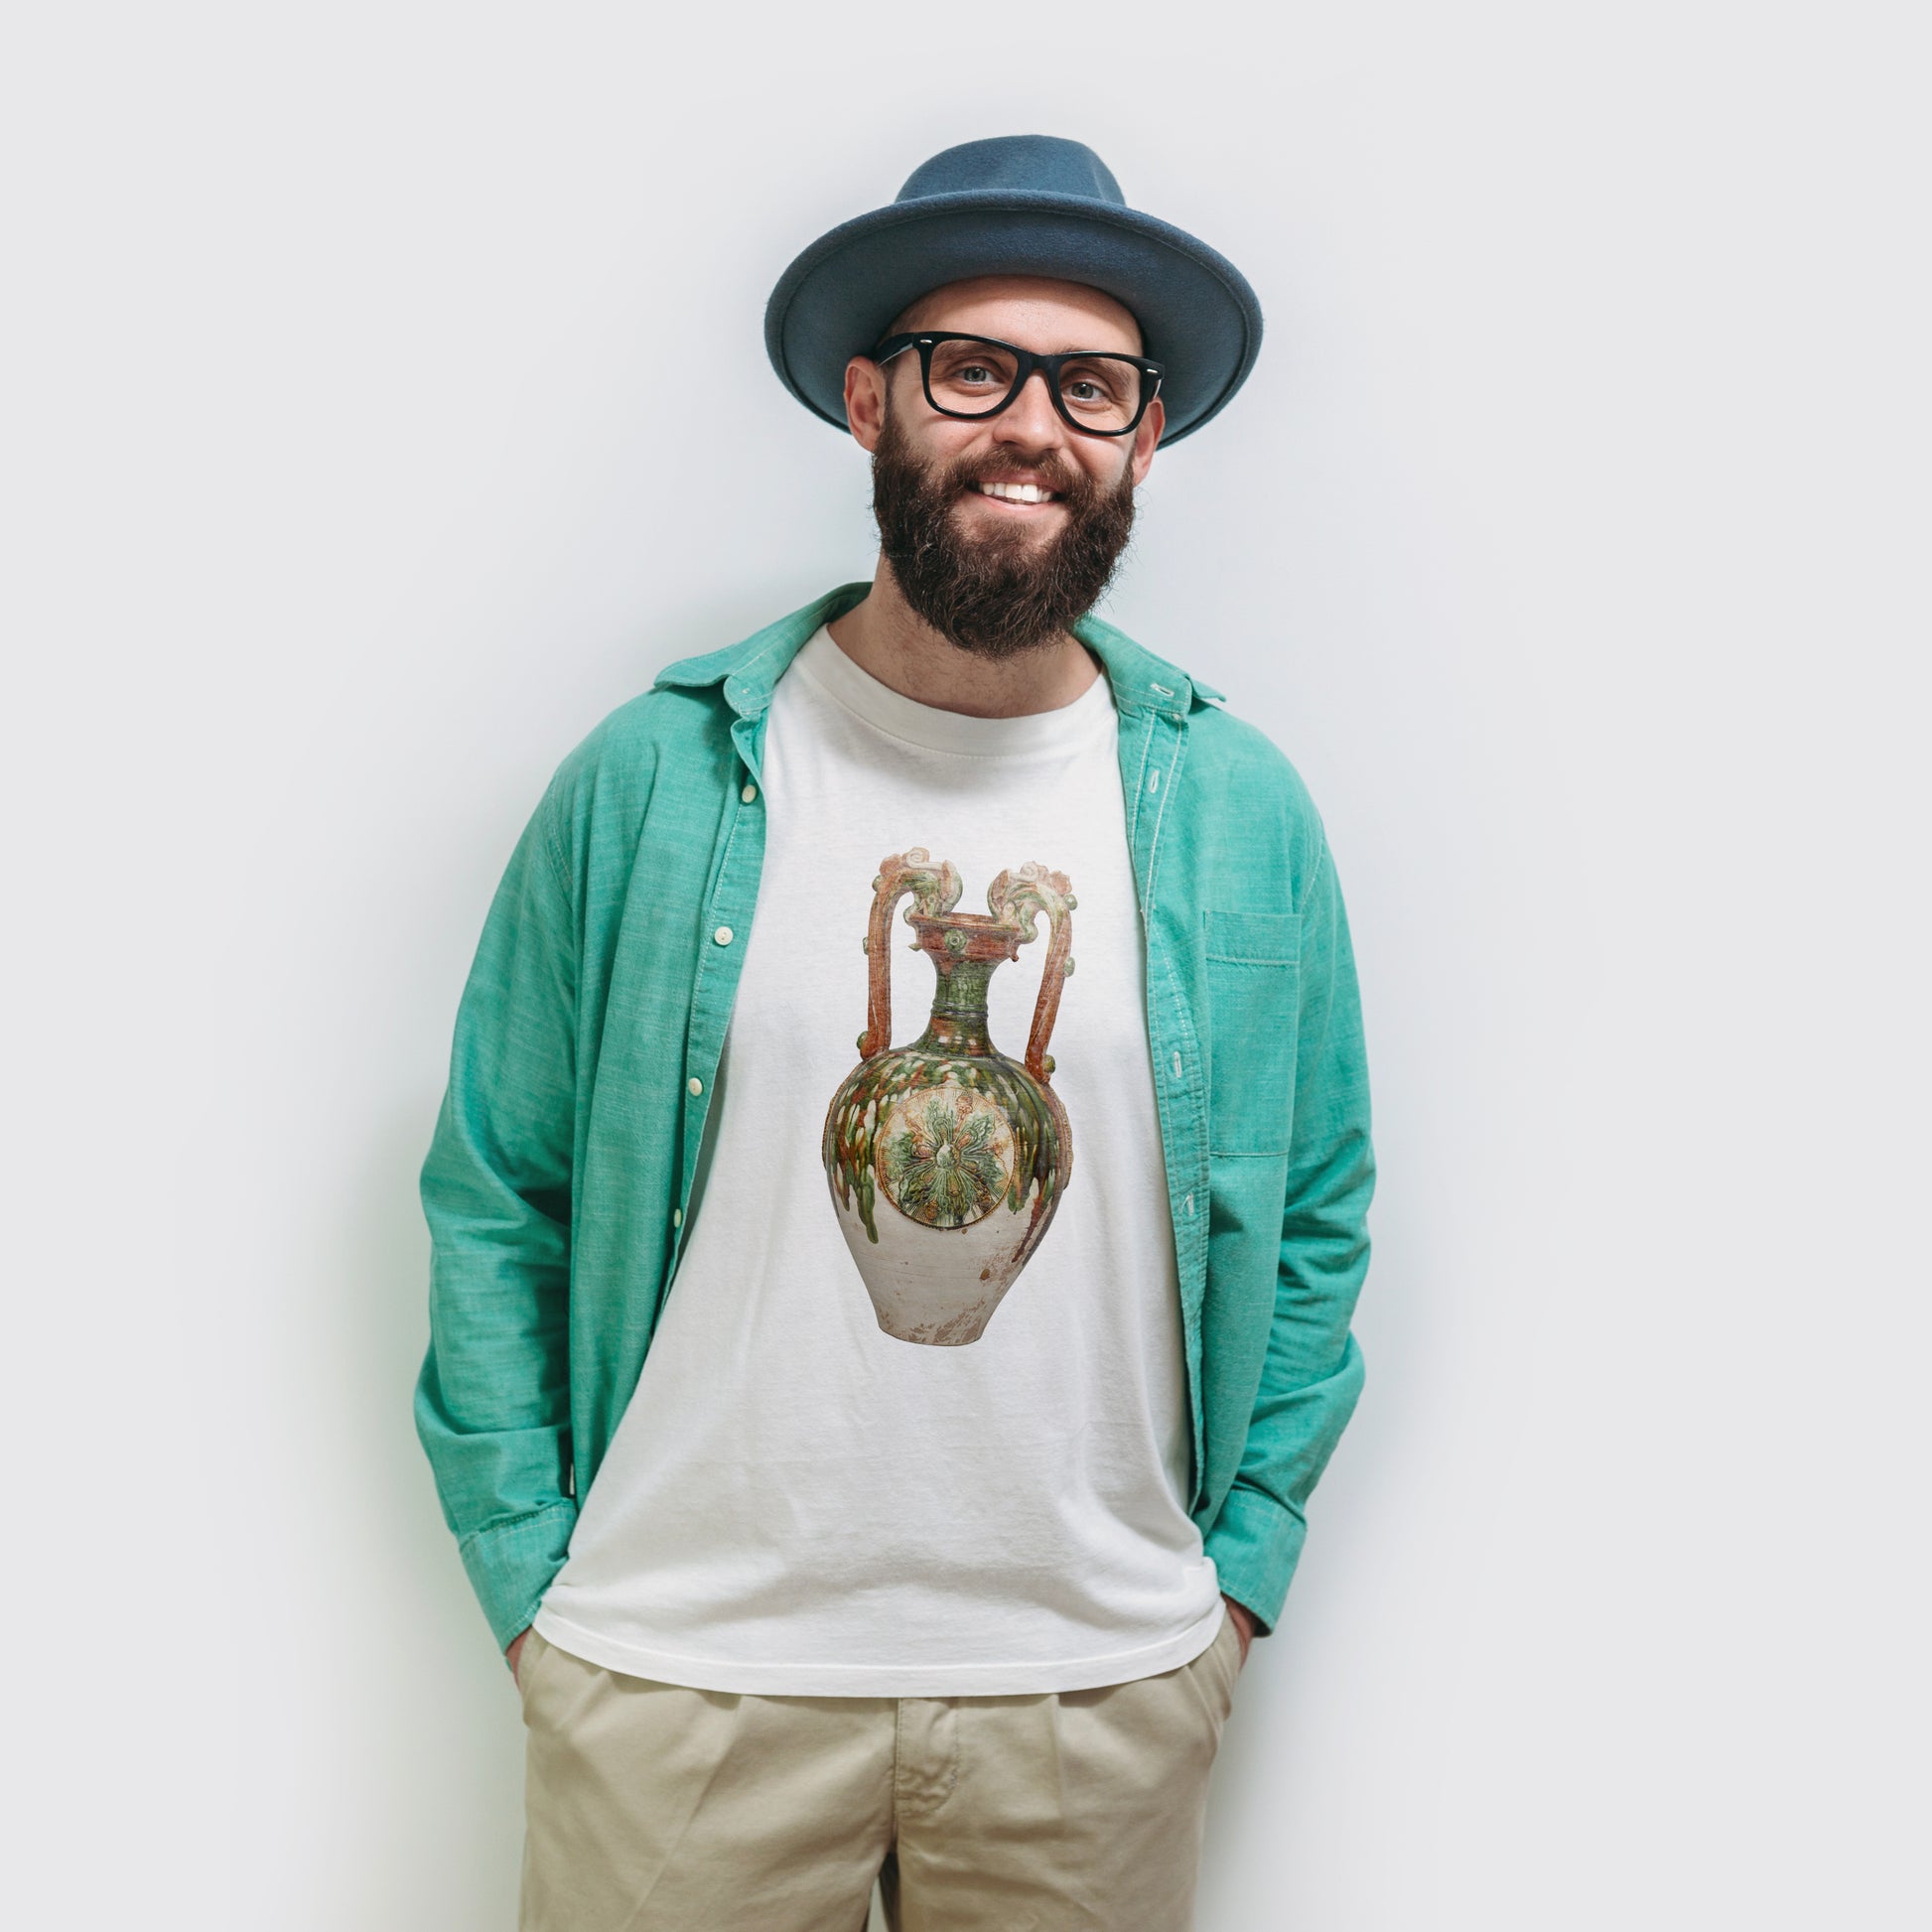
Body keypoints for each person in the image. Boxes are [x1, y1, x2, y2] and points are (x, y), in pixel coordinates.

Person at [415, 133, 1376, 1931]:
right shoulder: (652, 777)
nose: (1034, 425)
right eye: (973, 369)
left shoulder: (1239, 810)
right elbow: (498, 1190)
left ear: (1144, 435)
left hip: (1093, 1693)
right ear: (871, 402)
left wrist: (1235, 1575)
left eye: (1090, 385)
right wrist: (532, 1587)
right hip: (676, 1677)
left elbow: (1314, 1208)